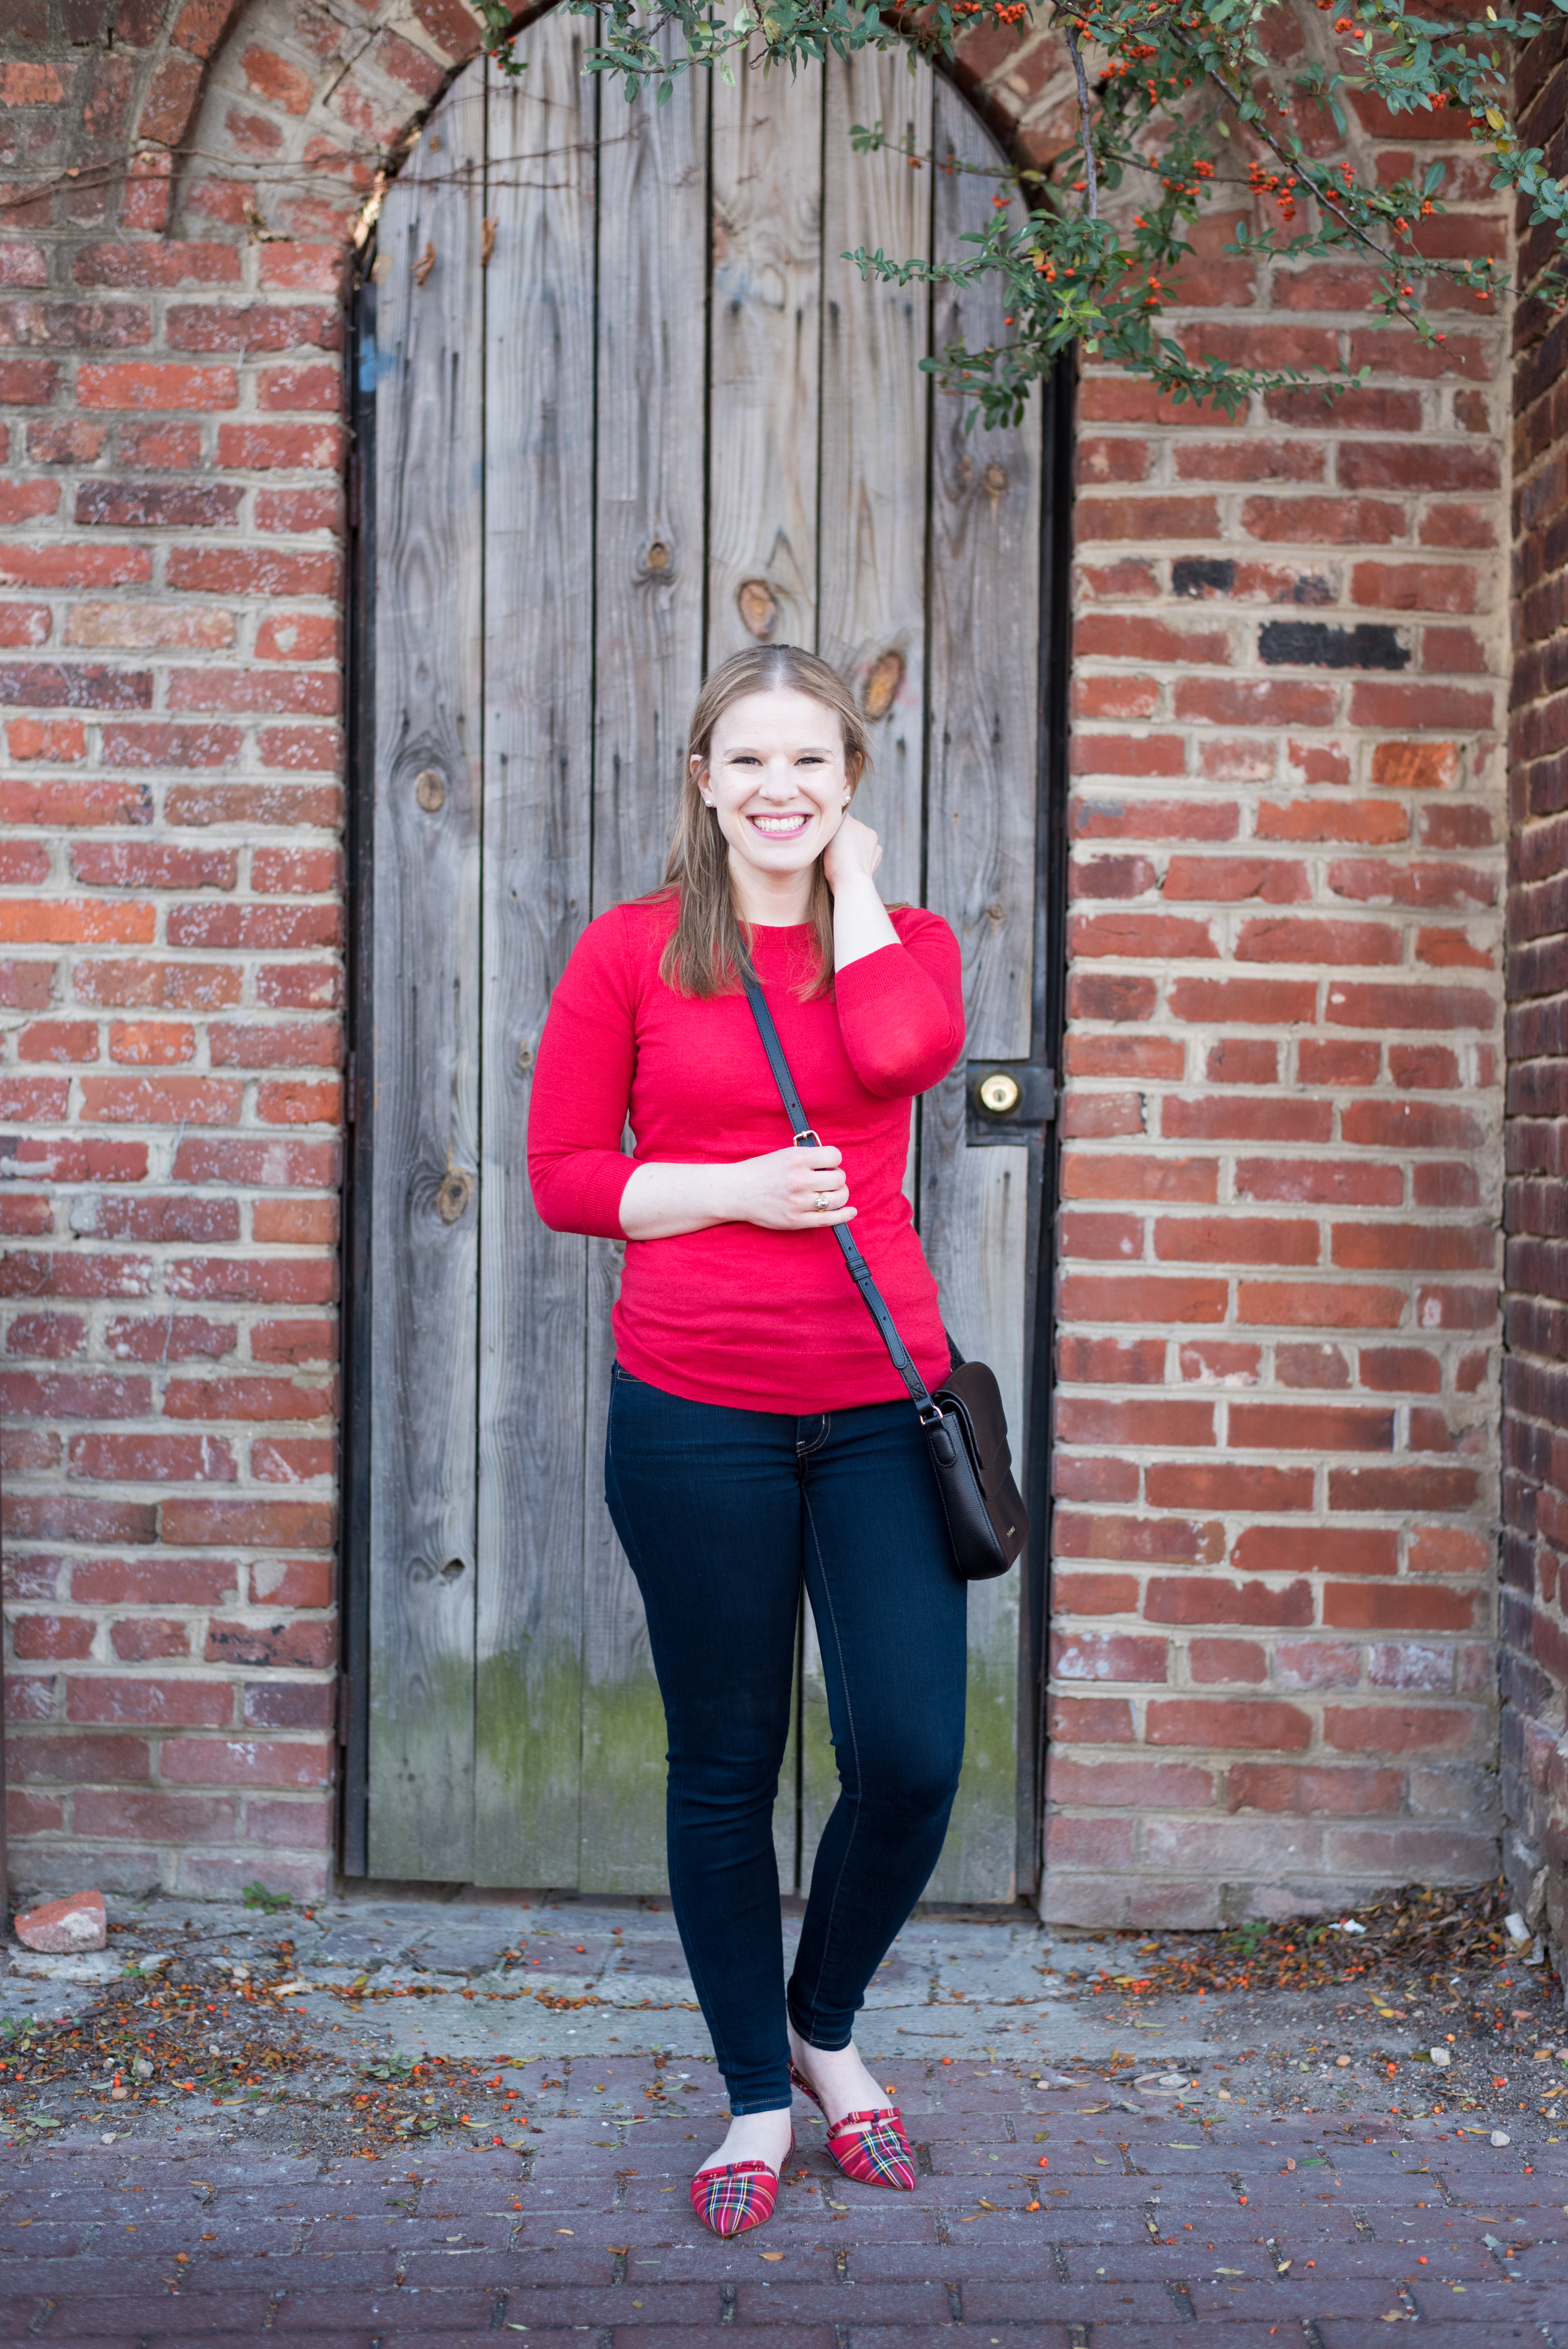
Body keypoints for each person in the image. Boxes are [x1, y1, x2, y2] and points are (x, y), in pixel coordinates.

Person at [528, 644, 969, 2236]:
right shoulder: (633, 953)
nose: (779, 787)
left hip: (877, 1405)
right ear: (702, 781)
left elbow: (905, 1058)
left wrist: (853, 890)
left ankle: (827, 2022)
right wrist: (725, 1189)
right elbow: (566, 1174)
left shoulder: (905, 943)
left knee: (912, 1754)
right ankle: (758, 2090)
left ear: (849, 784)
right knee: (724, 1765)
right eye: (750, 761)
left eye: (812, 763)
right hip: (695, 1413)